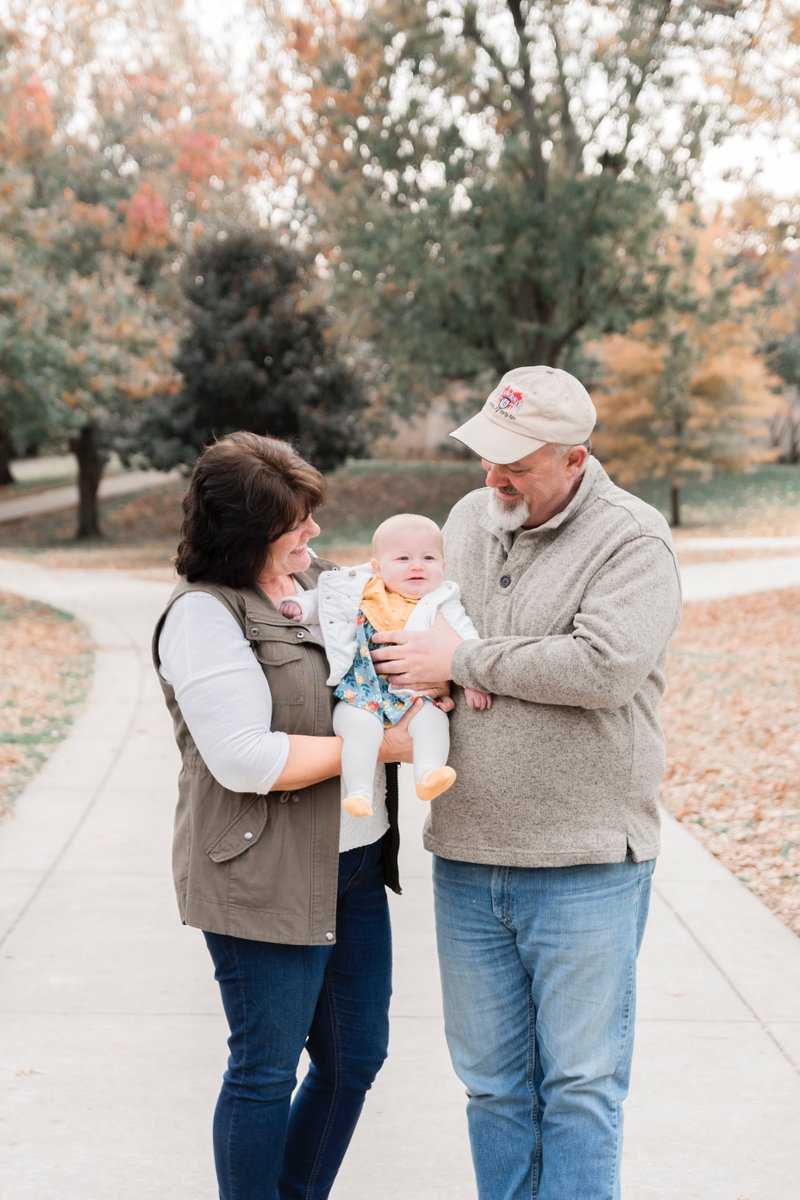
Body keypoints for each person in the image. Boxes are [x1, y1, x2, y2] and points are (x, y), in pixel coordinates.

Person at [371, 366, 683, 1200]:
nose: (493, 476)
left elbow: (605, 665)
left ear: (574, 458)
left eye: (515, 461)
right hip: (470, 854)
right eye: (486, 455)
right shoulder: (469, 518)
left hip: (585, 863)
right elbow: (422, 625)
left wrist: (463, 661)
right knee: (493, 1088)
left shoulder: (633, 540)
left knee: (579, 1089)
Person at [152, 431, 421, 1200]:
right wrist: (383, 749)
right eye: (296, 523)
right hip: (262, 874)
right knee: (265, 1070)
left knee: (355, 1057)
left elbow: (409, 612)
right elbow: (246, 758)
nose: (313, 534)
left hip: (356, 865)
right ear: (246, 535)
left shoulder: (327, 584)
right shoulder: (206, 615)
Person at [280, 512, 491, 818]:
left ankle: (428, 773)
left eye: (429, 557)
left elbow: (465, 641)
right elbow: (326, 601)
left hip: (415, 695)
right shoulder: (364, 588)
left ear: (443, 567)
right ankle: (359, 791)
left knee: (433, 723)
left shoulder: (443, 600)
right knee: (359, 731)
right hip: (361, 690)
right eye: (403, 558)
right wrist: (301, 608)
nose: (417, 565)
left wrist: (472, 679)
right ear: (378, 567)